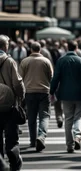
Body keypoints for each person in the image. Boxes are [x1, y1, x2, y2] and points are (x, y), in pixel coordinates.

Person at [50, 40, 81, 153]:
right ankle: (78, 135)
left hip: (65, 94)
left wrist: (52, 91)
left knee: (68, 119)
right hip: (79, 94)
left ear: (67, 47)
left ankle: (70, 145)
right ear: (76, 48)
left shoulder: (61, 60)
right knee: (79, 117)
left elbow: (55, 78)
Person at [19, 42, 53, 152]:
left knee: (32, 117)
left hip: (29, 92)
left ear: (30, 49)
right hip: (44, 91)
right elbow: (51, 76)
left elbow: (20, 77)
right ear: (40, 49)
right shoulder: (46, 61)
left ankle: (32, 140)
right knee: (44, 116)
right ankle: (41, 137)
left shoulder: (25, 61)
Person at [0, 35, 25, 171]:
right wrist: (21, 96)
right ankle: (14, 160)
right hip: (9, 104)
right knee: (12, 136)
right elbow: (17, 83)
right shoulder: (9, 61)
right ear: (5, 46)